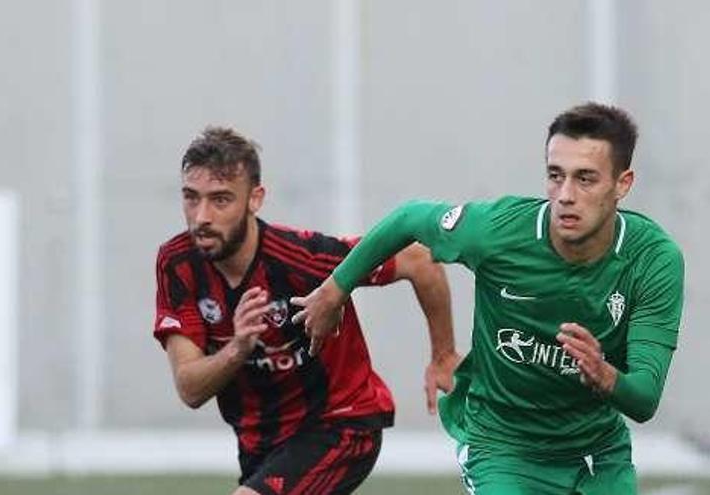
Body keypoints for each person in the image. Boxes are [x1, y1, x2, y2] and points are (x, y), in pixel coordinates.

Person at [292, 102, 685, 494]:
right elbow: (409, 218)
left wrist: (607, 378)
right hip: (502, 450)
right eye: (555, 175)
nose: (565, 195)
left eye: (585, 179)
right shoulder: (498, 231)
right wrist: (334, 290)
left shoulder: (653, 260)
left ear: (623, 183)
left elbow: (645, 399)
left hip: (596, 455)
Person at [152, 127, 458, 495]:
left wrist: (443, 355)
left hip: (341, 424)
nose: (201, 216)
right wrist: (238, 347)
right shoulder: (178, 264)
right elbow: (190, 388)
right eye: (191, 197)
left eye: (220, 200)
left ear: (255, 199)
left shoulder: (301, 259)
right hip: (261, 444)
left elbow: (418, 258)